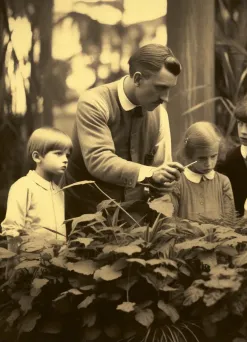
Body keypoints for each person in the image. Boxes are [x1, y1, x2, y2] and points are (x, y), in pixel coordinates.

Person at [60, 44, 185, 228]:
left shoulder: (160, 115)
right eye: (160, 88)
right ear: (138, 79)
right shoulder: (94, 102)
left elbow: (159, 170)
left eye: (170, 89)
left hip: (133, 221)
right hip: (86, 218)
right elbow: (99, 160)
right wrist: (151, 173)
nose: (165, 98)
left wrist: (163, 182)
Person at [1, 127, 72, 247]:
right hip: (29, 261)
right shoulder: (23, 187)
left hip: (57, 261)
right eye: (58, 154)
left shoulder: (59, 191)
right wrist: (13, 261)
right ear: (37, 157)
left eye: (67, 155)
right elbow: (12, 230)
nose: (65, 160)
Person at [170, 122, 235, 223]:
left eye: (213, 156)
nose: (209, 164)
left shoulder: (223, 182)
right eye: (202, 158)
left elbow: (230, 220)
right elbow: (171, 222)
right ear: (188, 155)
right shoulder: (178, 183)